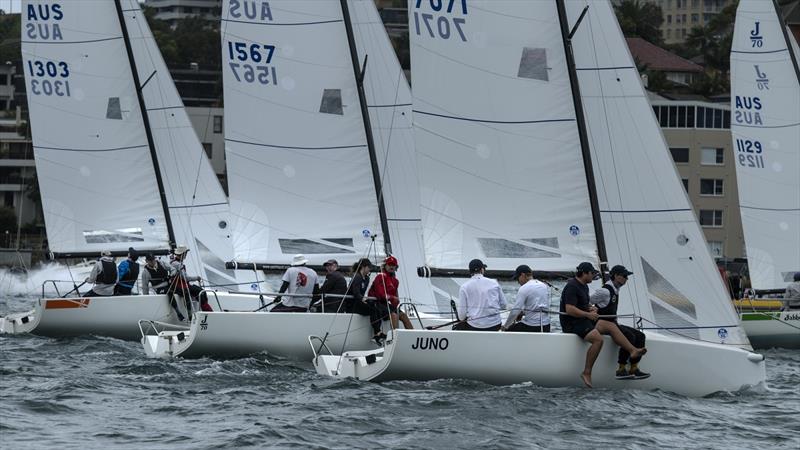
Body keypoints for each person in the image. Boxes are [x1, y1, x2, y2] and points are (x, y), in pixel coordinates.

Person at [560, 262, 645, 388]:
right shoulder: (572, 286)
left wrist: (591, 309)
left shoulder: (584, 286)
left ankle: (632, 351)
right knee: (598, 340)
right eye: (592, 273)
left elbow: (585, 303)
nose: (594, 276)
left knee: (610, 326)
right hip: (572, 323)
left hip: (582, 320)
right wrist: (588, 314)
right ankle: (587, 372)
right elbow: (569, 309)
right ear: (585, 273)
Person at [590, 265, 649, 380]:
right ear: (616, 276)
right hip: (603, 325)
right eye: (624, 276)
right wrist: (591, 310)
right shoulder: (605, 291)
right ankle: (621, 369)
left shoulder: (617, 288)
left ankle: (634, 367)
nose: (627, 279)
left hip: (613, 323)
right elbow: (587, 300)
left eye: (627, 277)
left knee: (640, 336)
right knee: (629, 336)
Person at [454, 259, 507, 331]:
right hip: (495, 325)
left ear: (470, 272)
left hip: (475, 326)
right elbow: (504, 305)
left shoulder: (464, 287)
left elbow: (461, 317)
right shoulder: (494, 282)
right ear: (482, 270)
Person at [345, 258, 385, 344]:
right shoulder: (357, 277)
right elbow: (356, 293)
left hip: (359, 302)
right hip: (352, 305)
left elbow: (362, 293)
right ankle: (377, 333)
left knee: (378, 308)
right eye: (369, 267)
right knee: (373, 310)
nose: (370, 269)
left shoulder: (366, 278)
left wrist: (365, 299)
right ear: (363, 267)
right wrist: (363, 299)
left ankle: (377, 334)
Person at [369, 255, 414, 330]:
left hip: (386, 304)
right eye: (389, 264)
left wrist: (395, 301)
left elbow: (394, 298)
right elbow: (380, 294)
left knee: (404, 316)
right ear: (385, 266)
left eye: (393, 265)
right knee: (394, 315)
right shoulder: (380, 276)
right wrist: (392, 298)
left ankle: (413, 336)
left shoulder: (395, 281)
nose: (391, 267)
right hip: (377, 303)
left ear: (396, 267)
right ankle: (395, 337)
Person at [501, 264, 550, 332]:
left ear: (523, 275)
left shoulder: (524, 288)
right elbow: (538, 306)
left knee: (507, 331)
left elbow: (515, 311)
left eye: (517, 278)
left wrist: (505, 326)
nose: (518, 282)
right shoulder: (543, 286)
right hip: (546, 325)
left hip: (531, 326)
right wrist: (522, 313)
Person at [168, 245, 207, 321]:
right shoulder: (177, 264)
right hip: (178, 287)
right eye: (186, 253)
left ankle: (205, 312)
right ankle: (191, 315)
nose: (186, 255)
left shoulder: (176, 262)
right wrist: (197, 278)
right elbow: (185, 278)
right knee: (197, 292)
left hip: (184, 285)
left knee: (201, 291)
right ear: (183, 254)